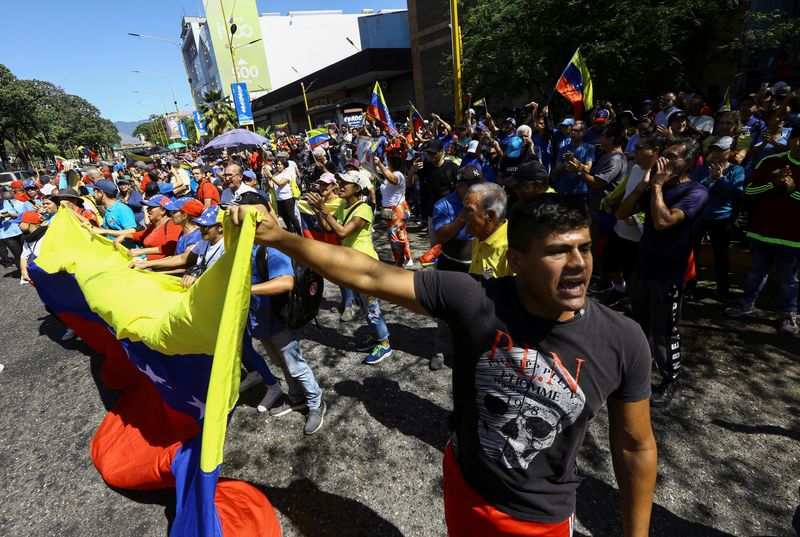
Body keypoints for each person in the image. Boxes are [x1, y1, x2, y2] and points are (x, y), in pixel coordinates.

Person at [228, 194, 657, 536]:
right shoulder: (475, 298)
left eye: (584, 247)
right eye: (558, 252)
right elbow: (370, 275)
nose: (579, 264)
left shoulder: (623, 339)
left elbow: (635, 446)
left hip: (538, 520)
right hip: (463, 488)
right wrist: (280, 237)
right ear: (517, 262)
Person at [617, 138, 709, 406]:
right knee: (639, 326)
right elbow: (622, 213)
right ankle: (637, 373)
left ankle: (670, 379)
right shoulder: (654, 188)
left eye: (672, 157)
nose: (663, 161)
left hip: (668, 275)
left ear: (689, 163)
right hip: (642, 268)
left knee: (665, 331)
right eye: (663, 155)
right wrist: (643, 186)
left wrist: (656, 185)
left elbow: (663, 221)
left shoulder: (696, 192)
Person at [240, 191, 327, 434]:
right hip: (260, 322)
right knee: (281, 363)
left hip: (279, 321)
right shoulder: (245, 245)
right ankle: (297, 398)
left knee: (296, 365)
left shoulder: (272, 247)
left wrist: (246, 289)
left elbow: (285, 282)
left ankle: (315, 403)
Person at [306, 170, 393, 365]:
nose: (340, 185)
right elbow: (327, 228)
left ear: (357, 187)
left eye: (345, 182)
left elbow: (343, 232)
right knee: (363, 305)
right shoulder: (344, 206)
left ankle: (384, 343)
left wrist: (324, 210)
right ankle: (375, 337)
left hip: (365, 263)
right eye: (340, 181)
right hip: (352, 263)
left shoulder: (363, 208)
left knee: (371, 306)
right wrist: (318, 211)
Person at [724, 127, 800, 335]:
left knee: (789, 279)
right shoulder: (770, 161)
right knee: (756, 272)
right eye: (798, 140)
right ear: (791, 140)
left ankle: (787, 314)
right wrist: (773, 184)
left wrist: (793, 190)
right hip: (762, 232)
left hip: (794, 239)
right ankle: (746, 303)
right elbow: (750, 191)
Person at [429, 166, 484, 370]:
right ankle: (442, 349)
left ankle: (469, 349)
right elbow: (441, 236)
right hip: (450, 265)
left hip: (478, 267)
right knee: (445, 311)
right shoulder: (444, 204)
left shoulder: (483, 200)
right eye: (472, 187)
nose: (479, 192)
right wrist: (462, 217)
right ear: (460, 187)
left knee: (475, 310)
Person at [688, 136, 745, 300]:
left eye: (721, 150)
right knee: (693, 252)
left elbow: (736, 195)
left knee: (721, 255)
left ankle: (722, 288)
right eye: (714, 149)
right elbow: (693, 189)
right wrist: (708, 179)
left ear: (731, 152)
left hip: (722, 219)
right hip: (699, 217)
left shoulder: (736, 171)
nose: (717, 153)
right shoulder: (702, 168)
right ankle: (689, 285)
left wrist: (721, 179)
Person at [98, 195, 182, 261]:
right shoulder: (154, 225)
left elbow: (170, 248)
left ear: (163, 210)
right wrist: (124, 235)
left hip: (157, 268)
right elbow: (141, 235)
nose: (147, 210)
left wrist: (142, 252)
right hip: (146, 263)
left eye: (151, 207)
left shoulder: (172, 225)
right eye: (147, 207)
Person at [463, 182, 513, 279]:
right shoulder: (480, 236)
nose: (462, 215)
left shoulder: (510, 250)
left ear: (489, 216)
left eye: (468, 210)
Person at [411, 138, 459, 238]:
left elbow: (460, 189)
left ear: (442, 152)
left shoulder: (452, 168)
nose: (430, 155)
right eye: (428, 153)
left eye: (433, 153)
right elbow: (409, 184)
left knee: (448, 245)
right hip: (431, 214)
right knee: (434, 246)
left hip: (449, 213)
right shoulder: (425, 167)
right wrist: (412, 170)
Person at [374, 153, 413, 267]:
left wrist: (380, 164)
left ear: (392, 163)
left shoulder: (398, 174)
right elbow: (378, 170)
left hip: (397, 210)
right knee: (400, 234)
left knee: (394, 237)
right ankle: (407, 258)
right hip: (391, 209)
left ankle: (399, 262)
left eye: (387, 162)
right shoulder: (388, 172)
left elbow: (393, 180)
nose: (386, 164)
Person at [554, 121, 595, 206]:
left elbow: (587, 169)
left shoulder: (589, 148)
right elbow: (557, 170)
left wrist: (574, 160)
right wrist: (567, 162)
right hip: (564, 190)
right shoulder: (563, 149)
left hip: (580, 193)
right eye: (572, 130)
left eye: (576, 130)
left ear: (584, 132)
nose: (572, 132)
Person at [0, 187, 34, 270]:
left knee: (28, 251)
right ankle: (24, 273)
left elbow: (21, 214)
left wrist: (10, 215)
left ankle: (34, 270)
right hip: (7, 234)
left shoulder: (10, 202)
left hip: (20, 230)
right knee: (18, 254)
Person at [268, 158, 302, 235]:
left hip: (287, 198)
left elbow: (281, 183)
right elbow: (271, 185)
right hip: (279, 199)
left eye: (280, 164)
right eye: (277, 164)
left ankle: (300, 233)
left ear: (284, 165)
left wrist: (271, 176)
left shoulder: (287, 173)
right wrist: (268, 177)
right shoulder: (276, 174)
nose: (278, 166)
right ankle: (291, 232)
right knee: (284, 217)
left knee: (291, 216)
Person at [16, 211, 47, 285]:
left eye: (19, 223)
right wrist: (24, 271)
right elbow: (23, 256)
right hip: (40, 275)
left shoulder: (47, 234)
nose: (18, 225)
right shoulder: (27, 239)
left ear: (28, 223)